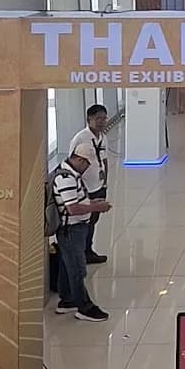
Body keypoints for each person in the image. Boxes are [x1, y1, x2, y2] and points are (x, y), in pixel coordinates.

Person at [53, 141, 111, 321]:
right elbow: (72, 208)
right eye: (86, 163)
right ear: (77, 159)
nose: (87, 167)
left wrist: (92, 203)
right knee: (77, 269)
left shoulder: (71, 174)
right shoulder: (66, 179)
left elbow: (76, 202)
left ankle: (67, 299)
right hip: (71, 229)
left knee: (66, 265)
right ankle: (84, 307)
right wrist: (96, 208)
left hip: (74, 228)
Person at [69, 104, 109, 265]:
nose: (101, 121)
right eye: (97, 118)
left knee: (93, 220)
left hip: (98, 185)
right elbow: (72, 162)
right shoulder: (80, 138)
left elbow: (104, 160)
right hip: (84, 187)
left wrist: (105, 182)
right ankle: (80, 253)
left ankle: (88, 250)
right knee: (83, 221)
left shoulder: (103, 137)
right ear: (89, 119)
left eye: (104, 118)